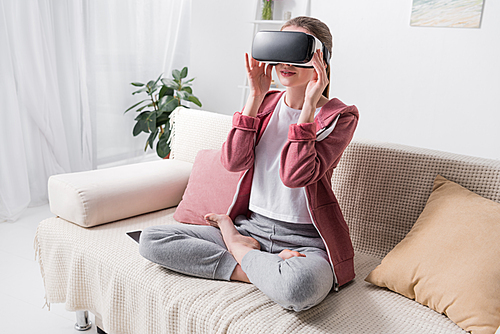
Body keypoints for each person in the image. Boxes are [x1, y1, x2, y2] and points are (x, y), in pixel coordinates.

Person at [139, 16, 359, 312]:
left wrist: (308, 108)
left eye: (297, 50)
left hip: (305, 239)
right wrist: (254, 97)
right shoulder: (266, 103)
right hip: (251, 227)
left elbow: (296, 176)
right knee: (151, 240)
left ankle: (236, 246)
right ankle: (255, 263)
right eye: (280, 50)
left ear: (321, 58)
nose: (286, 62)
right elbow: (232, 161)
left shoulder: (339, 116)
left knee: (300, 288)